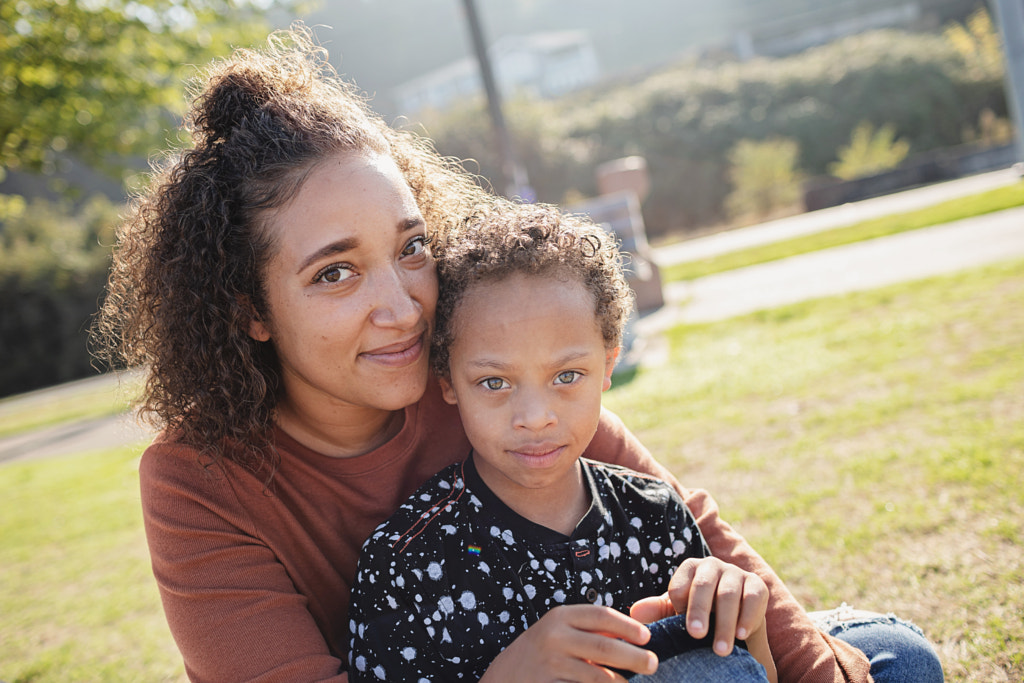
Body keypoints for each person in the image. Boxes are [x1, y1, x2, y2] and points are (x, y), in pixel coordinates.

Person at [91, 25, 943, 683]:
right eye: (336, 273)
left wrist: (779, 640)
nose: (402, 305)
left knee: (894, 654)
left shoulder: (476, 370)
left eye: (411, 247)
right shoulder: (198, 480)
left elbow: (691, 520)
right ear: (249, 310)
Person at [346, 205, 778, 682]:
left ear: (608, 365)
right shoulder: (406, 561)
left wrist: (747, 624)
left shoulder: (655, 516)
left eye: (567, 376)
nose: (535, 418)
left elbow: (743, 669)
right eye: (494, 382)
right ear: (447, 382)